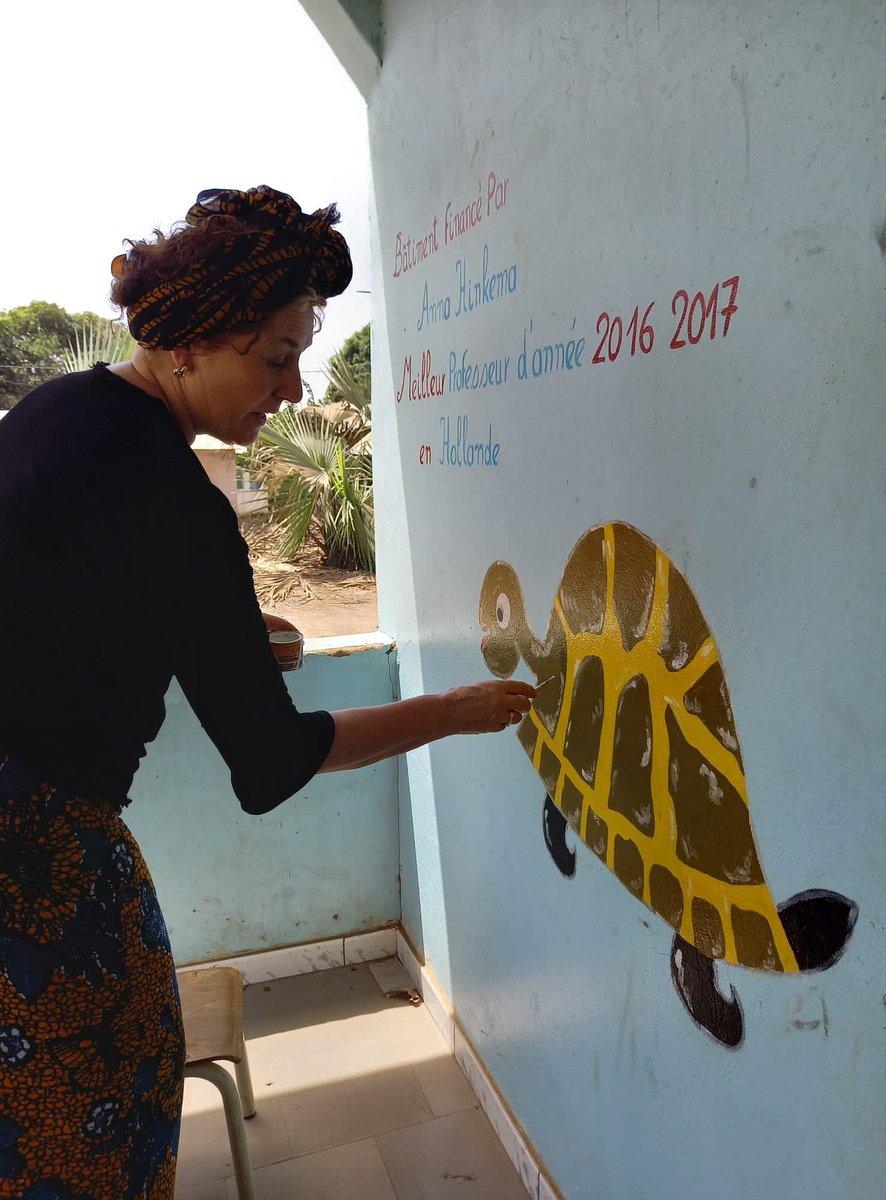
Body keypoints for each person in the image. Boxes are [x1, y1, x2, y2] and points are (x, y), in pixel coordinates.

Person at [0, 185, 534, 1199]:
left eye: (301, 357)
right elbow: (271, 761)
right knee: (92, 1115)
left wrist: (226, 641)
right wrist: (448, 713)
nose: (292, 390)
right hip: (34, 852)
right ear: (187, 343)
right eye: (275, 357)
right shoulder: (174, 496)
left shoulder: (55, 414)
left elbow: (67, 604)